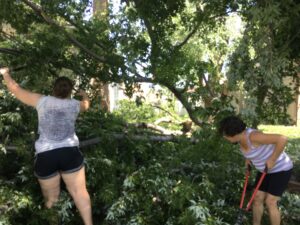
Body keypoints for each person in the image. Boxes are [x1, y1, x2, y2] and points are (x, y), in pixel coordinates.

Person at [0, 67, 93, 225]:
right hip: (70, 153)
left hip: (46, 155)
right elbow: (86, 104)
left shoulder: (41, 100)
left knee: (51, 199)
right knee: (80, 193)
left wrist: (5, 74)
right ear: (70, 91)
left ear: (53, 89)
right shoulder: (75, 105)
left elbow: (15, 90)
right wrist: (84, 95)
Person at [218, 115, 293, 225]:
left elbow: (282, 139)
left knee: (270, 202)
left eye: (226, 135)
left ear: (233, 133)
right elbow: (252, 150)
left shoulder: (254, 136)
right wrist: (248, 158)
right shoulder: (240, 139)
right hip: (265, 170)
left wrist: (272, 159)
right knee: (257, 198)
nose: (225, 137)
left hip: (280, 169)